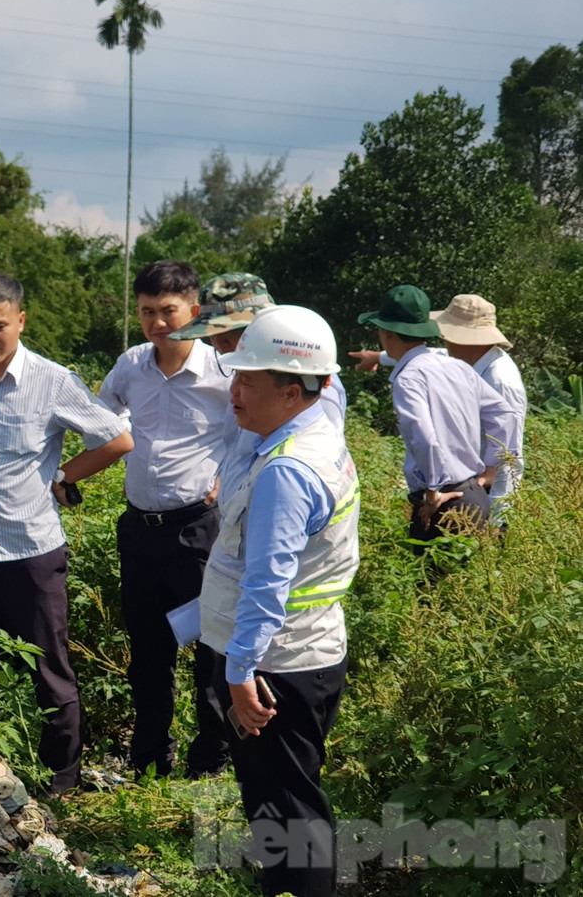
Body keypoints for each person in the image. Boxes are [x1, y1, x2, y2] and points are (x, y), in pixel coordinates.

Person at [0, 272, 131, 793]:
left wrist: (65, 476)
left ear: (20, 321)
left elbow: (116, 439)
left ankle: (61, 781)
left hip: (31, 552)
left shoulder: (52, 380)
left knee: (48, 670)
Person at [200, 305, 359, 897]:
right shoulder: (307, 436)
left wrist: (240, 672)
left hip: (275, 667)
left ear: (292, 392)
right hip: (300, 653)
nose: (233, 390)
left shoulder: (288, 471)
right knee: (285, 805)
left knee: (288, 811)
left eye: (247, 380)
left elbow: (269, 584)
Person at [98, 260, 231, 779]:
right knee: (149, 649)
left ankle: (211, 758)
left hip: (198, 527)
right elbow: (100, 417)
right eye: (147, 311)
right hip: (140, 530)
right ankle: (151, 755)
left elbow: (249, 428)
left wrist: (229, 476)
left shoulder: (224, 371)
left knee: (208, 647)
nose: (158, 322)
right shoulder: (131, 365)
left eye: (168, 311)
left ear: (194, 312)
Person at [348, 293, 525, 526]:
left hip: (466, 497)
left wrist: (497, 517)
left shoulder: (501, 380)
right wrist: (377, 357)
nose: (443, 339)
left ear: (465, 339)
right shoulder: (460, 363)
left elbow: (509, 452)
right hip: (471, 491)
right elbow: (425, 356)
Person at [169, 272, 346, 431]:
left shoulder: (309, 376)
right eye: (212, 337)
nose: (219, 347)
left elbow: (317, 453)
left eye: (228, 336)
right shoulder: (252, 373)